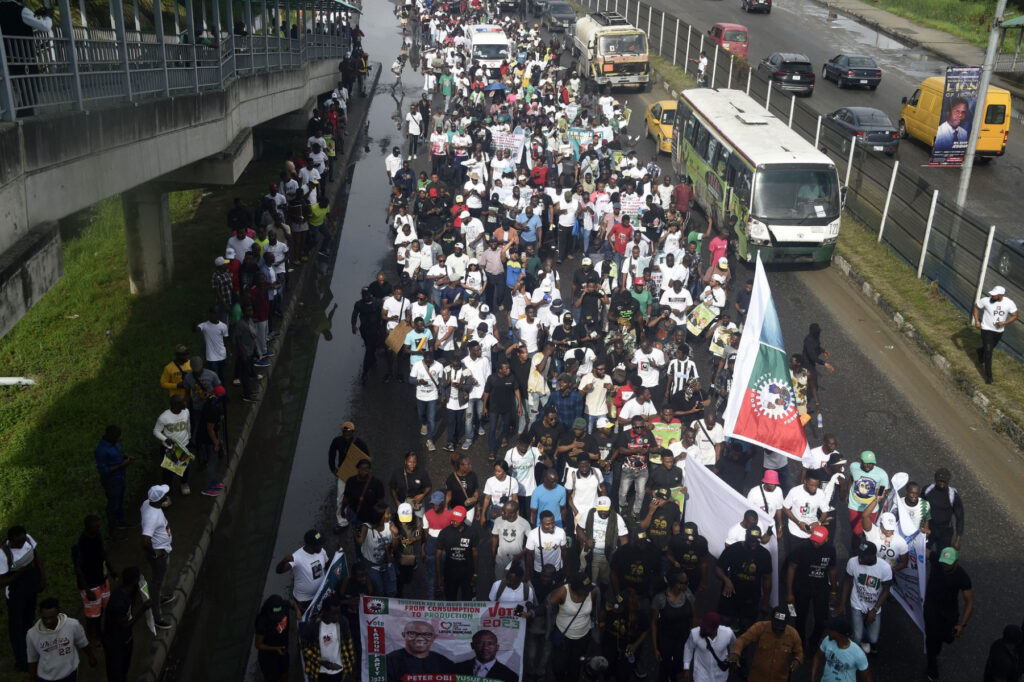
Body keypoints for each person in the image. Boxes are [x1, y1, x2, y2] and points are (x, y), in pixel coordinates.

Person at [786, 525, 838, 655]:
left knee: (821, 620)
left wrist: (833, 591)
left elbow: (832, 570)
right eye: (813, 540)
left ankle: (814, 642)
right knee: (800, 618)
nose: (815, 543)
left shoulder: (830, 550)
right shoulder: (801, 548)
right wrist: (789, 592)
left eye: (818, 541)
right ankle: (800, 643)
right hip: (802, 587)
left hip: (821, 589)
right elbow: (791, 568)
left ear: (826, 539)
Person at [924, 547, 974, 682]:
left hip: (949, 613)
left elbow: (969, 602)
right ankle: (932, 669)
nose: (945, 565)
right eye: (943, 562)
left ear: (956, 561)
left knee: (945, 638)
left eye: (948, 562)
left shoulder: (962, 577)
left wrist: (962, 624)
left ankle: (934, 651)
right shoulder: (936, 560)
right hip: (932, 608)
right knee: (932, 638)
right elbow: (923, 550)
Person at [837, 541, 892, 655]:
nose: (859, 559)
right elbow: (847, 582)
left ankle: (865, 638)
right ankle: (853, 653)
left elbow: (886, 591)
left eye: (863, 556)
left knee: (873, 639)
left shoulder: (885, 568)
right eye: (859, 555)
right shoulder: (852, 562)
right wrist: (842, 604)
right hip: (857, 603)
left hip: (874, 606)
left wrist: (874, 610)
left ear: (873, 556)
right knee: (857, 637)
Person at [715, 527, 772, 631]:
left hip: (751, 598)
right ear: (746, 537)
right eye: (751, 541)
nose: (754, 543)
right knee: (724, 625)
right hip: (730, 596)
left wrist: (766, 601)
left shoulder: (765, 555)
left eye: (757, 541)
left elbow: (767, 578)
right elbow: (719, 568)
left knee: (746, 628)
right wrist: (726, 580)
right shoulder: (733, 549)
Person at [26, 597, 96, 681]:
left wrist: (91, 657)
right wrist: (32, 677)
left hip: (70, 673)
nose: (48, 621)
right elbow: (32, 658)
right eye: (45, 618)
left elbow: (82, 642)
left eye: (51, 617)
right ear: (40, 614)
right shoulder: (32, 634)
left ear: (58, 612)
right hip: (46, 677)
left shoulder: (72, 625)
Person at [71, 514, 114, 646]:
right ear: (87, 527)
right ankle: (93, 634)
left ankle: (100, 631)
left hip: (102, 578)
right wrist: (87, 589)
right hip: (90, 584)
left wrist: (110, 569)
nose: (98, 528)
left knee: (103, 607)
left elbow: (103, 552)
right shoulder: (78, 545)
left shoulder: (98, 536)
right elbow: (78, 569)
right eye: (95, 527)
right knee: (92, 613)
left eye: (98, 526)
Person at [727, 607, 803, 681]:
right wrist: (736, 653)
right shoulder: (760, 627)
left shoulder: (793, 634)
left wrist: (797, 660)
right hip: (757, 678)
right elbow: (742, 640)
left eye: (780, 629)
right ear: (771, 620)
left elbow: (799, 652)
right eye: (775, 627)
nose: (777, 631)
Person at [549, 574, 600, 682]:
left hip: (582, 637)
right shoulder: (562, 592)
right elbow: (548, 607)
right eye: (584, 589)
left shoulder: (593, 592)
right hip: (564, 637)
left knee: (576, 665)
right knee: (559, 666)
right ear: (576, 589)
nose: (588, 591)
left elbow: (595, 610)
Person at [102, 567, 149, 682]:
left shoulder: (128, 593)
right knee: (116, 674)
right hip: (115, 644)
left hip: (125, 640)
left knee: (123, 670)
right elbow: (125, 625)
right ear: (134, 582)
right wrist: (143, 609)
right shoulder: (118, 602)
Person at [139, 485, 175, 629]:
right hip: (159, 556)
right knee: (156, 583)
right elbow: (145, 540)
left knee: (159, 580)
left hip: (162, 550)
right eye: (165, 494)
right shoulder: (152, 517)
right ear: (160, 499)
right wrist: (155, 553)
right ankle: (156, 616)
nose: (167, 495)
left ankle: (158, 598)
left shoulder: (147, 503)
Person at [651, 569, 696, 682]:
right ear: (675, 583)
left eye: (687, 582)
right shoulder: (660, 599)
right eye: (684, 583)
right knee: (664, 667)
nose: (687, 585)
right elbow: (654, 624)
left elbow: (693, 617)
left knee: (679, 667)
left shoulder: (688, 595)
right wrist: (655, 648)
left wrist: (693, 639)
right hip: (666, 640)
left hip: (683, 639)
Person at [300, 593, 357, 681]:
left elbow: (348, 642)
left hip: (338, 670)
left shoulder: (343, 622)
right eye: (333, 614)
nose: (336, 617)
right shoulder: (313, 626)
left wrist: (351, 662)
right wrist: (321, 662)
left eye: (338, 613)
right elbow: (304, 647)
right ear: (324, 612)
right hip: (319, 671)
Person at [274, 529, 330, 618]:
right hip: (304, 601)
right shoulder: (297, 557)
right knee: (307, 623)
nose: (321, 546)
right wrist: (284, 560)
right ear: (310, 545)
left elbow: (327, 565)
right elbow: (279, 571)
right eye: (319, 544)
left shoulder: (321, 551)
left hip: (320, 595)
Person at [578, 496, 628, 590]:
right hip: (589, 553)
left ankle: (602, 599)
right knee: (587, 580)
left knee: (605, 581)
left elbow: (624, 540)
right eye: (600, 510)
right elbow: (579, 529)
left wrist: (620, 557)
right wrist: (586, 540)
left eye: (605, 510)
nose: (603, 512)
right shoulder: (589, 514)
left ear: (610, 508)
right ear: (597, 507)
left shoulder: (617, 518)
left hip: (607, 556)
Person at [328, 421, 369, 532]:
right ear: (342, 431)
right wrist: (333, 469)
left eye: (349, 431)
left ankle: (358, 520)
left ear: (353, 432)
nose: (347, 433)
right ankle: (342, 522)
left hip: (356, 475)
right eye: (345, 431)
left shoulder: (360, 443)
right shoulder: (337, 441)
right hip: (343, 474)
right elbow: (331, 454)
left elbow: (366, 459)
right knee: (340, 497)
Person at [972, 285, 1018, 383]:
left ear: (1001, 295)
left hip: (999, 331)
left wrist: (1004, 323)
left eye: (995, 295)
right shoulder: (985, 300)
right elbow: (976, 307)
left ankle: (980, 351)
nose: (992, 296)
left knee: (989, 348)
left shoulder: (1009, 303)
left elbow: (1015, 315)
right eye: (992, 294)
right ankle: (989, 377)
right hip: (986, 329)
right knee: (989, 353)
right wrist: (977, 321)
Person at [94, 425, 134, 537]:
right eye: (116, 436)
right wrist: (122, 465)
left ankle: (121, 521)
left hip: (120, 477)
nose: (118, 439)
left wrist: (126, 457)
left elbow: (119, 454)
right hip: (111, 481)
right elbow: (104, 470)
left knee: (120, 501)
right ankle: (113, 529)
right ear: (109, 435)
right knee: (113, 505)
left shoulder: (115, 443)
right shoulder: (101, 450)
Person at [386, 619, 454, 682]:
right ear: (404, 635)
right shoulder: (389, 661)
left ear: (434, 637)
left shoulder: (443, 662)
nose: (420, 638)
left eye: (427, 634)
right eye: (412, 634)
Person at [847, 451, 889, 549]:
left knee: (868, 533)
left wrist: (881, 493)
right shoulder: (853, 466)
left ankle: (866, 551)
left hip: (871, 508)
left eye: (870, 463)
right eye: (865, 462)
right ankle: (855, 554)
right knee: (856, 533)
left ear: (874, 463)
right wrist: (846, 493)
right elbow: (851, 478)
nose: (868, 465)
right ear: (860, 461)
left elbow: (883, 489)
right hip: (854, 506)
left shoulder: (882, 474)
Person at [356, 503, 398, 597]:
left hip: (387, 565)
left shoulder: (390, 525)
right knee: (379, 591)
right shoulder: (366, 527)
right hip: (372, 567)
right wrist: (356, 534)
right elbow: (360, 542)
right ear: (380, 516)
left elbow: (394, 547)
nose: (390, 515)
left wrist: (395, 535)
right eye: (388, 513)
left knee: (391, 591)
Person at [436, 506, 478, 600]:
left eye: (457, 520)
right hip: (450, 574)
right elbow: (438, 555)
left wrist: (475, 574)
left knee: (467, 600)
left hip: (467, 574)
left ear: (464, 519)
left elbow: (475, 554)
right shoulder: (444, 533)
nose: (454, 522)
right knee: (450, 601)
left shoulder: (472, 533)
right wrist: (439, 577)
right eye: (453, 519)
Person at [810, 618, 871, 682]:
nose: (828, 631)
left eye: (831, 629)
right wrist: (812, 678)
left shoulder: (858, 654)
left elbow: (867, 677)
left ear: (838, 634)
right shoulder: (827, 640)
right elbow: (817, 657)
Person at [683, 611, 734, 682]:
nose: (702, 628)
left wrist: (731, 660)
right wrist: (686, 668)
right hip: (701, 675)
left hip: (720, 675)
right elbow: (688, 648)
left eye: (706, 627)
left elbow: (734, 646)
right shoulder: (694, 633)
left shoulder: (728, 633)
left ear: (715, 628)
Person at [924, 468, 964, 552]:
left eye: (944, 481)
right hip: (929, 528)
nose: (942, 483)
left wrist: (958, 539)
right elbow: (918, 507)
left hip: (945, 531)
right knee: (922, 554)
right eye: (940, 481)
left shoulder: (953, 495)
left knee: (942, 558)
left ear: (948, 481)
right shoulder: (927, 490)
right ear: (935, 479)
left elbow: (960, 518)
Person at [454, 629, 518, 682]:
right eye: (480, 643)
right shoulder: (456, 669)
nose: (485, 647)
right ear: (472, 645)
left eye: (490, 643)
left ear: (497, 647)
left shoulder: (510, 676)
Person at [254, 594, 291, 682]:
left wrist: (297, 611)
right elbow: (258, 645)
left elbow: (292, 603)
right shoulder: (262, 621)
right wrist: (276, 648)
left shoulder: (284, 605)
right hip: (268, 657)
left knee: (285, 673)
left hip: (283, 650)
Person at [492, 501, 531, 581]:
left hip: (517, 562)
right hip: (501, 560)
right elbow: (495, 538)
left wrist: (520, 555)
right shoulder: (498, 521)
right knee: (500, 584)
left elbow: (531, 542)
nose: (502, 513)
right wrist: (493, 556)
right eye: (502, 511)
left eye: (505, 512)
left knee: (517, 584)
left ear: (514, 513)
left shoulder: (524, 523)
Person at [802, 323, 834, 388]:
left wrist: (823, 351)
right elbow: (813, 357)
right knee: (805, 378)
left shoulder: (815, 337)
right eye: (817, 331)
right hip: (807, 362)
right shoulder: (808, 341)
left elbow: (817, 347)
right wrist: (825, 364)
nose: (819, 332)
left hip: (811, 362)